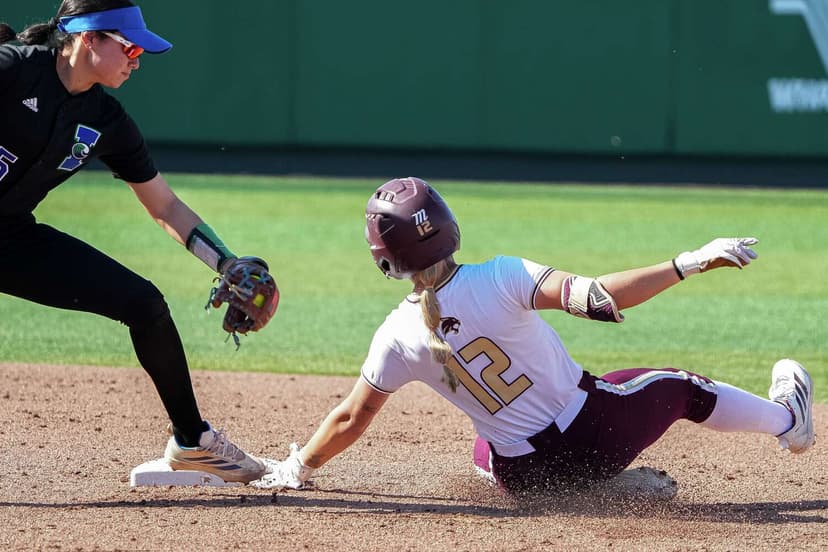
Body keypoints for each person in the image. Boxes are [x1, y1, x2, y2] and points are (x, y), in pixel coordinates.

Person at [253, 176, 815, 494]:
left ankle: (588, 492)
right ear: (448, 227)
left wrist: (297, 466)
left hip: (523, 479)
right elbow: (600, 298)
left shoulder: (395, 336)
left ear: (386, 261)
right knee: (682, 387)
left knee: (487, 441)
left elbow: (352, 417)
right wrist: (687, 263)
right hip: (596, 435)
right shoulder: (501, 275)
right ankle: (790, 422)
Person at [0, 1, 269, 483]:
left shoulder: (105, 119)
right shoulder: (15, 70)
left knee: (144, 303)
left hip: (9, 237)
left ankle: (193, 443)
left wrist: (226, 264)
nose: (137, 58)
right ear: (87, 38)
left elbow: (164, 206)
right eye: (129, 45)